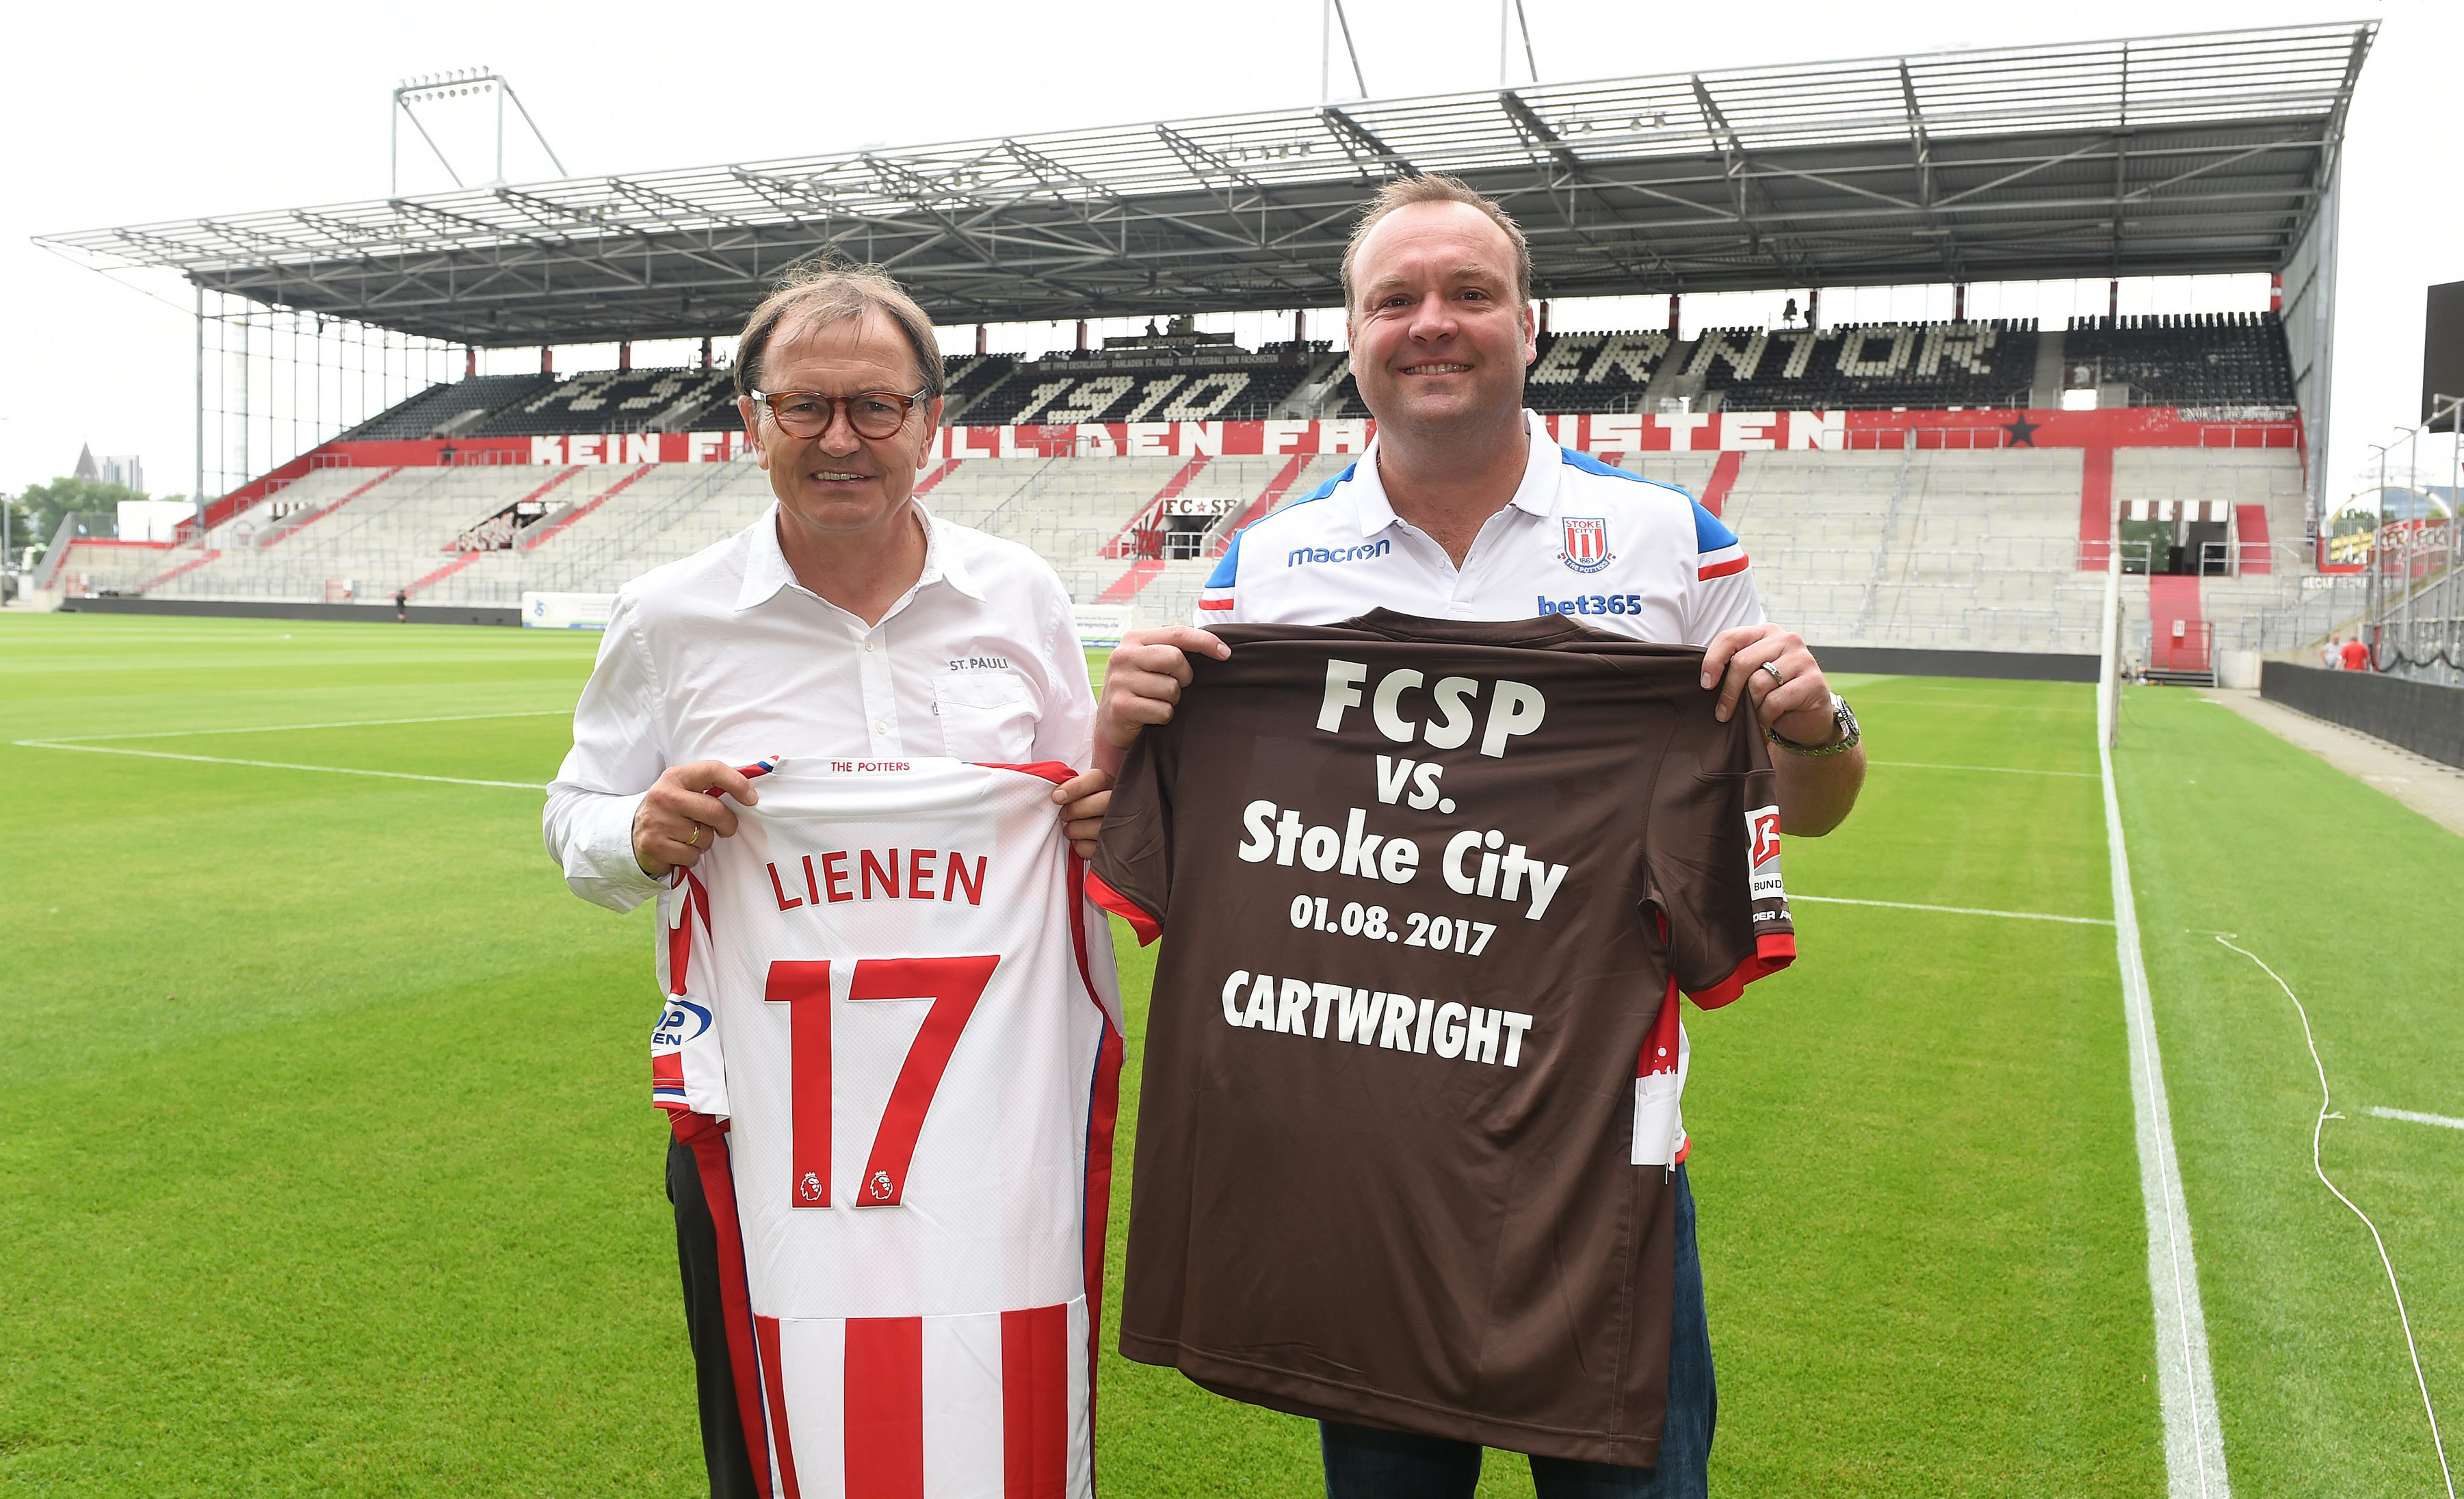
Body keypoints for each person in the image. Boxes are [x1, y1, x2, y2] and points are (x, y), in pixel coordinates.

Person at [1086, 174, 1865, 1498]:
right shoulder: (1271, 564)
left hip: (1600, 1163)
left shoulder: (1670, 540)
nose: (1431, 323)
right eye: (1395, 298)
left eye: (1468, 293)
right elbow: (1144, 840)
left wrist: (1814, 721)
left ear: (1529, 322)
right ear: (1354, 334)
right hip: (1362, 1162)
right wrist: (1122, 736)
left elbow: (1802, 803)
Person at [543, 263, 1105, 1496]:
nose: (839, 439)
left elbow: (1086, 811)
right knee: (771, 1426)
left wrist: (1102, 816)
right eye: (802, 406)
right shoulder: (670, 614)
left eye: (876, 406)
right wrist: (635, 831)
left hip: (997, 1129)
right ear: (750, 420)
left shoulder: (1020, 596)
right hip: (763, 1124)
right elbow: (573, 812)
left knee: (994, 1397)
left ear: (932, 421)